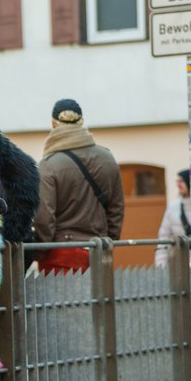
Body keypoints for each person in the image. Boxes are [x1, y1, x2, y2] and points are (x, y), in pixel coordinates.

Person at [34, 98, 124, 273]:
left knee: (59, 293)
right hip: (99, 250)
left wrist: (40, 251)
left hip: (61, 253)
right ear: (81, 122)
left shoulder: (48, 165)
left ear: (53, 124)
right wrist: (108, 241)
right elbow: (116, 208)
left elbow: (44, 217)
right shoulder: (107, 158)